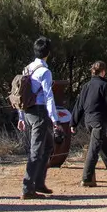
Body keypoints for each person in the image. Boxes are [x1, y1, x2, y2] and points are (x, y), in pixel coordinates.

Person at [17, 36, 62, 199]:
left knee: (48, 145)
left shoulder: (27, 69)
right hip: (39, 113)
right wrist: (55, 120)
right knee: (36, 151)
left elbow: (20, 93)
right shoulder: (45, 72)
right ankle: (27, 188)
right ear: (48, 53)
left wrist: (21, 117)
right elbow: (49, 97)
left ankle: (39, 183)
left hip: (28, 112)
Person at [71, 60, 107, 186]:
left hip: (88, 121)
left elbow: (79, 106)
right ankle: (87, 178)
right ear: (103, 72)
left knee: (102, 145)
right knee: (94, 149)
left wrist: (73, 123)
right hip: (98, 122)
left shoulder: (86, 86)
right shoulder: (104, 86)